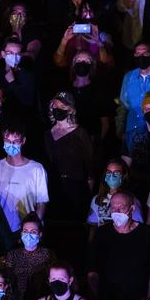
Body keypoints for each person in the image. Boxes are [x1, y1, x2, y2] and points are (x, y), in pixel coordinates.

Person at [87, 191, 150, 300]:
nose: (116, 211)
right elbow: (92, 270)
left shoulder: (147, 234)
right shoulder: (102, 233)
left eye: (121, 207)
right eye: (113, 208)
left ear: (132, 209)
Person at [0, 121, 49, 233]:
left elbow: (42, 202)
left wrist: (32, 229)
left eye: (15, 141)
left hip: (24, 230)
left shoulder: (36, 169)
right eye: (8, 141)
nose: (11, 144)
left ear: (23, 141)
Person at [44, 91, 94, 221]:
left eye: (62, 107)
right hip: (54, 187)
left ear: (71, 110)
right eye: (55, 106)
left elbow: (90, 161)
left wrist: (90, 183)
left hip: (76, 188)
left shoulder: (80, 133)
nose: (58, 109)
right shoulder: (48, 134)